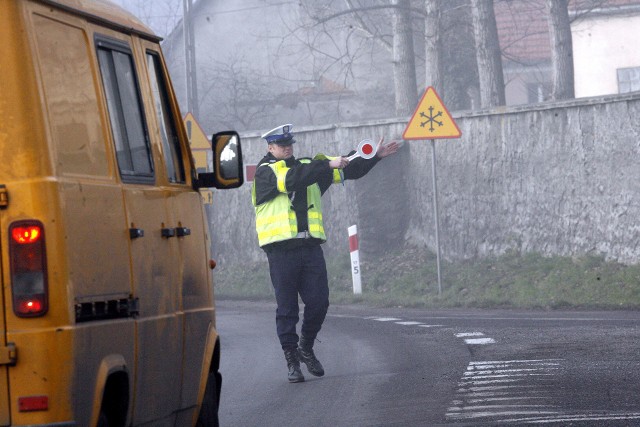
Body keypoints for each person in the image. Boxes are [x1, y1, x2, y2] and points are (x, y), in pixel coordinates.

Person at [251, 124, 399, 383]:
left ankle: (305, 348)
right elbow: (292, 180)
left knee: (319, 303)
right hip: (281, 252)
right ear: (270, 148)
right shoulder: (266, 172)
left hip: (309, 249)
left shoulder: (309, 166)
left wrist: (372, 156)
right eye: (281, 144)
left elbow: (347, 170)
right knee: (287, 309)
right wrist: (327, 164)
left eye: (289, 144)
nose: (287, 147)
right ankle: (292, 361)